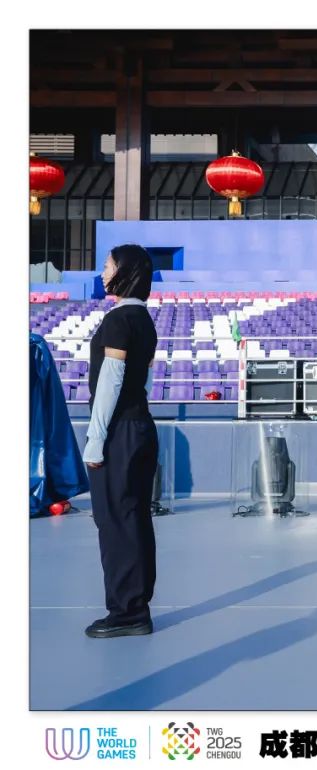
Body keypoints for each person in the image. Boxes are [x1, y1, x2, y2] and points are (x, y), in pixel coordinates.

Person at [82, 244, 159, 638]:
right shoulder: (144, 320)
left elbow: (110, 383)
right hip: (141, 426)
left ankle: (127, 612)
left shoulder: (118, 320)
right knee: (135, 518)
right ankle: (136, 605)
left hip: (120, 432)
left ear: (125, 272)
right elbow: (142, 379)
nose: (103, 271)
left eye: (109, 265)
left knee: (114, 521)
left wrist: (96, 438)